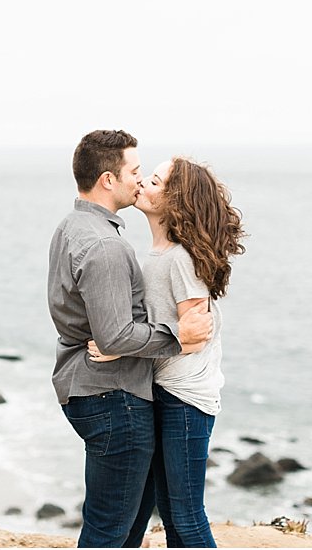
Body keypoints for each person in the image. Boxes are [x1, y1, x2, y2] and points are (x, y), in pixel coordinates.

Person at [48, 131, 214, 548]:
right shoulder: (106, 244)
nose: (140, 181)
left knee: (126, 525)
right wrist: (175, 337)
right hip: (113, 397)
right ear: (108, 179)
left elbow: (116, 332)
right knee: (110, 529)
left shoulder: (73, 227)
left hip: (108, 391)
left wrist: (114, 341)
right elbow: (117, 334)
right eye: (136, 172)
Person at [89, 156, 246, 547]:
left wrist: (120, 349)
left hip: (185, 400)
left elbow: (195, 337)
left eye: (155, 182)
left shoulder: (180, 260)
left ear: (175, 201)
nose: (142, 185)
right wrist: (123, 345)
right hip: (162, 392)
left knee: (184, 515)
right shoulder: (157, 256)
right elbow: (173, 333)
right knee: (160, 508)